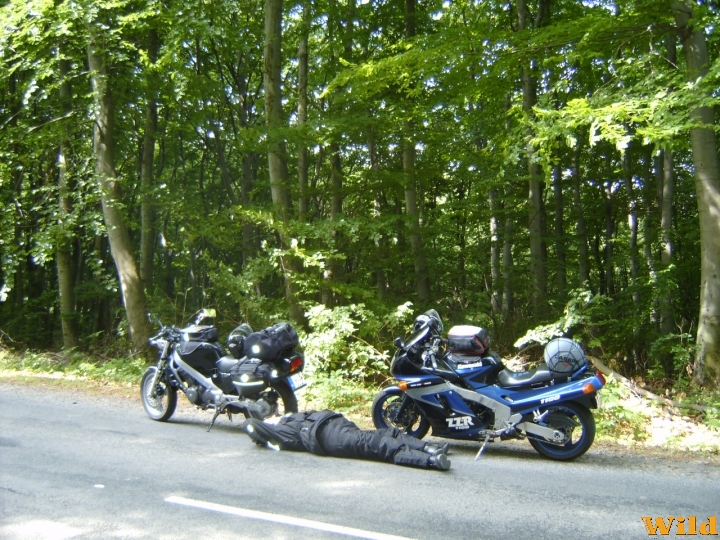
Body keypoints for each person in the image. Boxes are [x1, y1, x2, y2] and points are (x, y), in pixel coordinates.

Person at [241, 410, 451, 471]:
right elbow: (250, 423)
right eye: (267, 419)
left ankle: (429, 447)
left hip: (338, 424)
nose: (270, 416)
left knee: (388, 433)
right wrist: (265, 430)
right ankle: (430, 461)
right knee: (379, 445)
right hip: (328, 437)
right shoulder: (281, 432)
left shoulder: (291, 416)